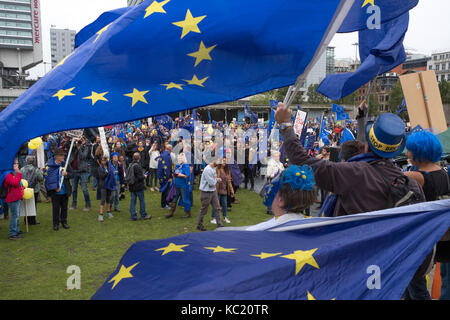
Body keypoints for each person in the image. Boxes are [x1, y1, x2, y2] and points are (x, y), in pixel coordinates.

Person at [274, 102, 425, 217]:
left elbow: (303, 162)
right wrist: (361, 118)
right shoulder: (410, 183)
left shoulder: (355, 174)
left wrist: (286, 125)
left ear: (367, 146)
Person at [402, 130, 450, 300]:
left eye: (409, 149)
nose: (407, 153)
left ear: (418, 151)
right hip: (439, 236)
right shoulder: (443, 173)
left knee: (416, 288)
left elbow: (390, 178)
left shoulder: (417, 176)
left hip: (422, 239)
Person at [44, 149, 73, 231]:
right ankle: (55, 224)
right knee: (56, 208)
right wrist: (55, 188)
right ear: (56, 157)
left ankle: (64, 222)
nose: (63, 157)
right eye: (62, 155)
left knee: (64, 208)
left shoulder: (66, 164)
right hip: (55, 192)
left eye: (64, 155)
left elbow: (72, 174)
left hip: (65, 191)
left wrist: (66, 174)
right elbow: (48, 180)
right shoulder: (50, 166)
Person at [197, 160, 224, 231]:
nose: (219, 163)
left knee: (217, 207)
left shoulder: (213, 168)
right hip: (206, 192)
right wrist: (217, 180)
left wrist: (217, 179)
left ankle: (219, 223)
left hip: (213, 191)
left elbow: (214, 179)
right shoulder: (207, 170)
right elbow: (211, 183)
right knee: (204, 209)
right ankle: (199, 225)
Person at [68, 136, 92, 211]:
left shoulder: (87, 147)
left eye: (82, 140)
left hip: (82, 171)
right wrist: (74, 142)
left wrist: (79, 147)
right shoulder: (74, 146)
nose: (80, 141)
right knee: (74, 189)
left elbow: (83, 156)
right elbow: (68, 149)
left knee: (84, 189)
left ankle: (88, 204)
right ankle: (73, 204)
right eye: (79, 140)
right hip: (74, 170)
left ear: (85, 140)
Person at [165, 153, 191, 219]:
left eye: (181, 158)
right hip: (176, 185)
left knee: (185, 199)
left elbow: (187, 176)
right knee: (174, 198)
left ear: (184, 159)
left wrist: (180, 175)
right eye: (179, 158)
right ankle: (171, 212)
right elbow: (174, 172)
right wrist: (174, 174)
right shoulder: (177, 165)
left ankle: (188, 213)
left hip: (183, 185)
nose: (180, 159)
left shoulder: (186, 166)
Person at [127, 153, 151, 221]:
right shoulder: (137, 166)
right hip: (138, 186)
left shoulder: (130, 165)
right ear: (139, 158)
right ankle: (143, 215)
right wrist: (144, 176)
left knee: (133, 201)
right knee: (142, 200)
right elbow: (139, 177)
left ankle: (133, 216)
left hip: (132, 185)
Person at [20, 155, 43, 225]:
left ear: (26, 161)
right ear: (33, 161)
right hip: (34, 189)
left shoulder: (22, 169)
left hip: (25, 189)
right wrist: (41, 172)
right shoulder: (36, 169)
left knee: (26, 204)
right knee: (33, 204)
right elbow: (41, 178)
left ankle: (26, 220)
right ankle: (32, 220)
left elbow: (19, 179)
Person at [4, 159, 24, 240]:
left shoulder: (12, 173)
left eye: (17, 163)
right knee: (14, 216)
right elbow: (15, 183)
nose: (17, 165)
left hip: (16, 196)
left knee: (17, 215)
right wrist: (19, 173)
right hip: (12, 198)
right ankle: (12, 234)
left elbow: (18, 183)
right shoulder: (7, 174)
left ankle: (17, 230)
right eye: (15, 164)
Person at [211, 158, 234, 224]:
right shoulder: (217, 169)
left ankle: (225, 217)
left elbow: (229, 181)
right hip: (217, 189)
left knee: (224, 204)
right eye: (223, 161)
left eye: (226, 161)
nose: (224, 162)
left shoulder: (227, 170)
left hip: (224, 190)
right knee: (216, 205)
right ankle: (213, 218)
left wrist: (232, 191)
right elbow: (213, 177)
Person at [97, 156, 115, 222]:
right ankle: (100, 214)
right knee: (103, 199)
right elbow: (101, 176)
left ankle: (108, 212)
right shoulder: (100, 168)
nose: (103, 162)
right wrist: (107, 173)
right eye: (102, 160)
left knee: (108, 199)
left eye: (104, 160)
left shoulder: (109, 167)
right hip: (103, 185)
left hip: (109, 185)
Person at [157, 143, 172, 209]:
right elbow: (166, 167)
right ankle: (164, 204)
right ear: (169, 149)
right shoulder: (166, 155)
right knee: (165, 190)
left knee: (166, 190)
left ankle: (166, 202)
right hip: (165, 176)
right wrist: (169, 177)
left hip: (163, 175)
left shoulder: (165, 154)